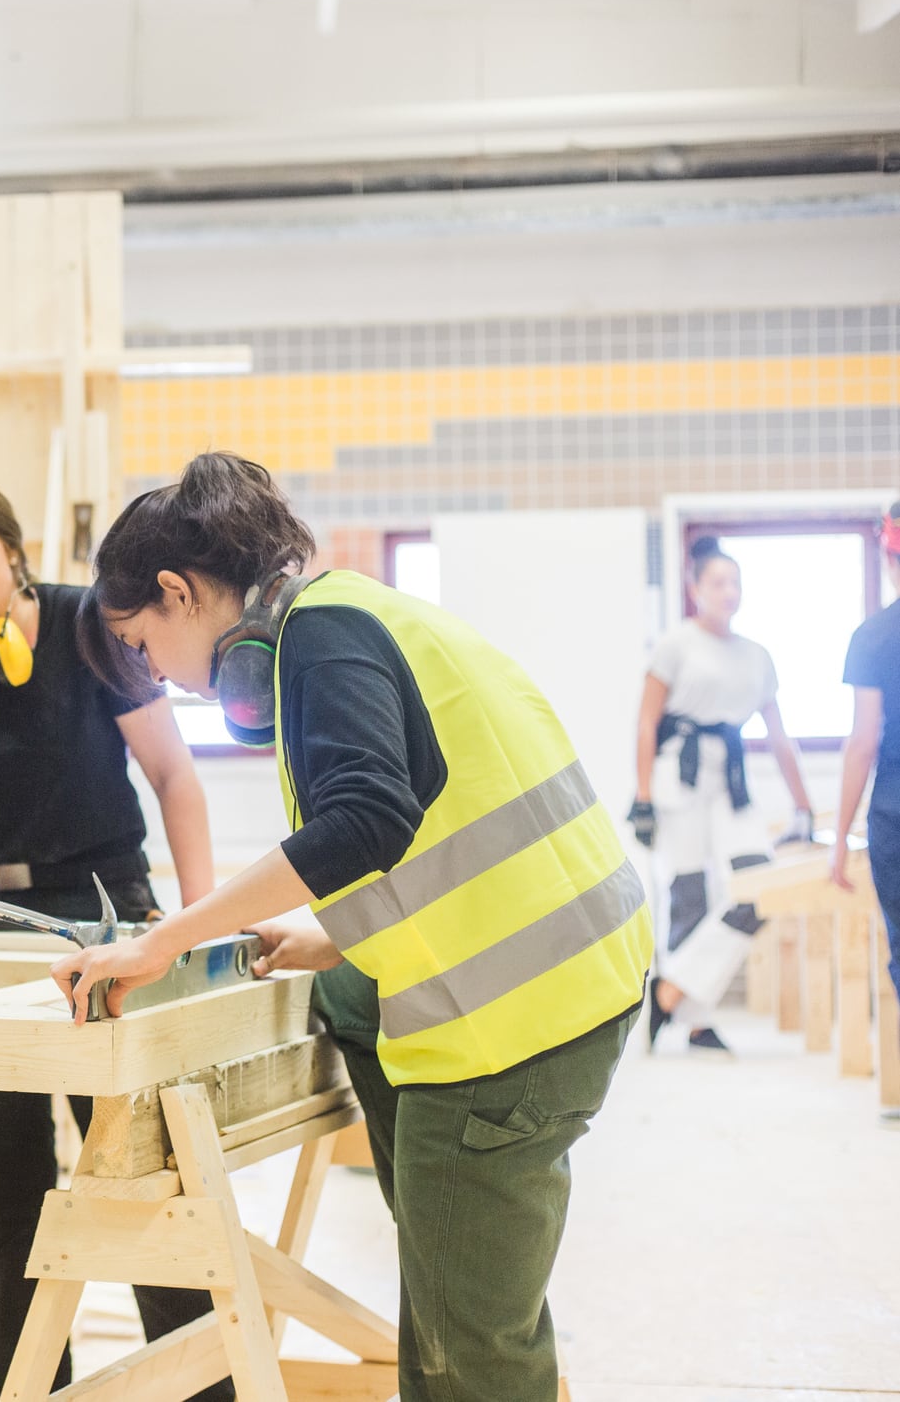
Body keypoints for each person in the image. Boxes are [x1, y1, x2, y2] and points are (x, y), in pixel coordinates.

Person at [50, 452, 651, 1402]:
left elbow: (366, 819)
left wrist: (161, 941)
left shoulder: (320, 640)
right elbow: (435, 818)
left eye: (140, 644)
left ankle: (451, 1245)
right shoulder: (355, 611)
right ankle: (439, 1215)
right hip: (568, 976)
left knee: (466, 1353)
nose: (155, 675)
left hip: (514, 1024)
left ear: (177, 592)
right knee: (349, 1004)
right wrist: (336, 939)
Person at [0, 466, 228, 1402]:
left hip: (111, 921)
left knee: (143, 1198)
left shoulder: (88, 625)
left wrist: (194, 927)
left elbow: (175, 778)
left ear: (8, 545)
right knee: (6, 1207)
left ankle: (199, 1389)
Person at [627, 535, 814, 1054]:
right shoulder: (675, 644)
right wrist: (642, 797)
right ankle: (694, 1022)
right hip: (678, 779)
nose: (728, 591)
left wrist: (803, 805)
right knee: (688, 896)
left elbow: (779, 736)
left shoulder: (757, 655)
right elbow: (647, 721)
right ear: (696, 588)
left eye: (735, 582)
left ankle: (669, 992)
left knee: (760, 886)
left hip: (731, 783)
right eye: (718, 582)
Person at [831, 502, 900, 1122]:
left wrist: (838, 838)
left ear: (888, 551)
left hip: (894, 816)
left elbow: (864, 741)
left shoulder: (875, 635)